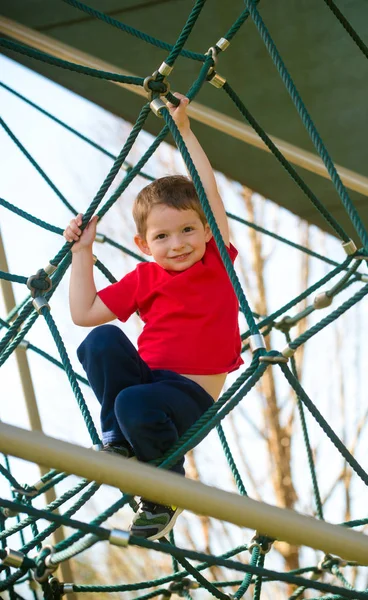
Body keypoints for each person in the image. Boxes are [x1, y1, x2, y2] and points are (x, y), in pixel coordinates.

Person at [63, 93, 243, 540]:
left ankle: (165, 490)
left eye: (188, 230)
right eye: (163, 236)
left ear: (206, 230)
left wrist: (183, 129)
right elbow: (84, 313)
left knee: (133, 403)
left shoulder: (214, 261)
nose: (178, 243)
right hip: (144, 386)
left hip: (185, 400)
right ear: (145, 244)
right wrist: (81, 252)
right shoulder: (144, 278)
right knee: (102, 341)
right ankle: (119, 443)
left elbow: (208, 190)